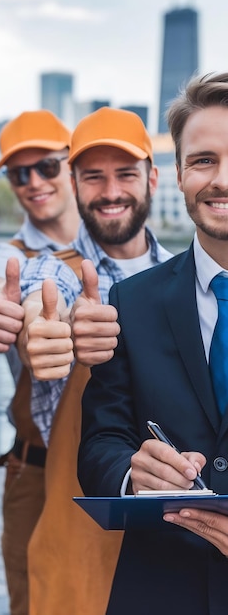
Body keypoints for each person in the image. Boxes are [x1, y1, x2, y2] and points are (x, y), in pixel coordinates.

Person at [77, 71, 228, 615]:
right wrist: (129, 473)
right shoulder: (130, 301)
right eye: (204, 160)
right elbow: (100, 443)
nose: (221, 179)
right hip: (157, 587)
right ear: (179, 176)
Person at [18, 107, 172, 614]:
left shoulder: (186, 280)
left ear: (152, 178)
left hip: (171, 548)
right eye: (93, 177)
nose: (110, 192)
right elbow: (39, 311)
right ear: (74, 183)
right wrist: (46, 331)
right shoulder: (49, 273)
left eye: (125, 174)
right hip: (75, 547)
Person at [0, 109, 80, 615]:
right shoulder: (9, 257)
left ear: (72, 164)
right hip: (34, 473)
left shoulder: (131, 252)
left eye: (47, 166)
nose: (34, 182)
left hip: (125, 471)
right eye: (20, 173)